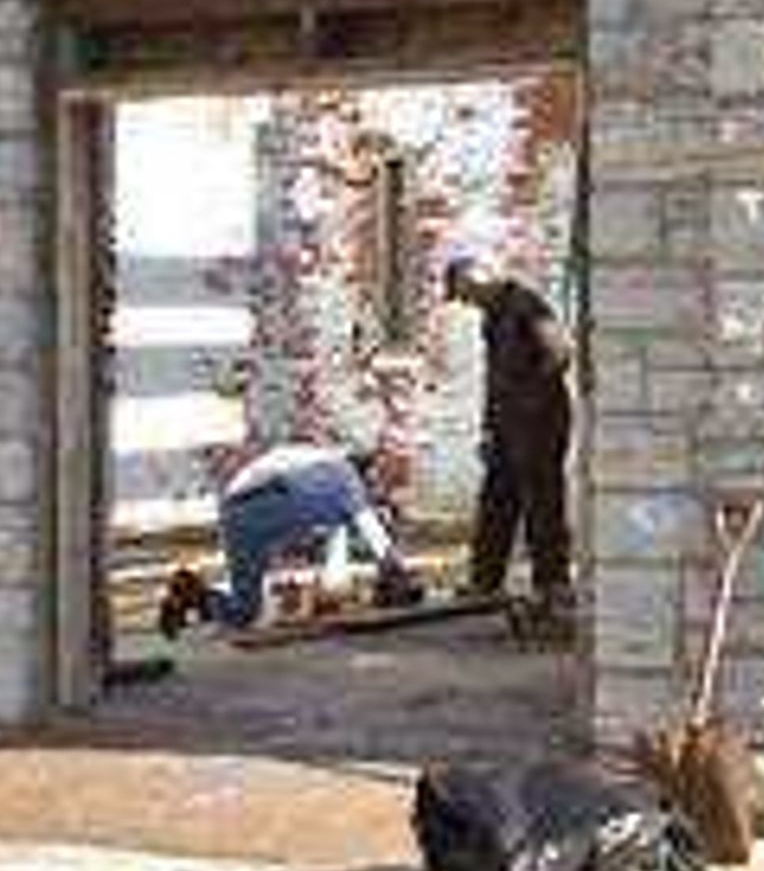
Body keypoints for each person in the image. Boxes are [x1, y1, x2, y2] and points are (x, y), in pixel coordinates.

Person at [162, 440, 421, 635]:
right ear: (364, 470)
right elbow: (369, 527)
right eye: (375, 481)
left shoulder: (312, 457)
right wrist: (396, 570)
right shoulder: (346, 477)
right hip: (266, 505)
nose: (374, 488)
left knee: (245, 609)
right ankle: (199, 598)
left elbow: (273, 479)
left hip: (234, 509)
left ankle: (191, 594)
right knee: (248, 613)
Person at [444, 254, 575, 633]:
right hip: (506, 423)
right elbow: (494, 376)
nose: (466, 303)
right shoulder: (492, 317)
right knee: (495, 499)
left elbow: (561, 350)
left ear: (476, 278)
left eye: (464, 293)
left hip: (540, 421)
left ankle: (552, 585)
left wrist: (533, 396)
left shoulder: (525, 303)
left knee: (541, 502)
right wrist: (489, 427)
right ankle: (485, 582)